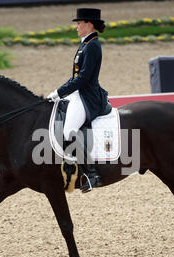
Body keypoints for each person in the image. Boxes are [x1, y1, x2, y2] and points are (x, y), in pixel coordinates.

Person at [47, 8, 110, 193]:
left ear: (89, 24)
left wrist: (60, 92)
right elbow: (75, 76)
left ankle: (92, 174)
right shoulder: (85, 44)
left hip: (88, 97)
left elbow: (83, 79)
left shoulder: (93, 46)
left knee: (69, 131)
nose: (76, 27)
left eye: (79, 23)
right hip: (79, 93)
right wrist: (58, 91)